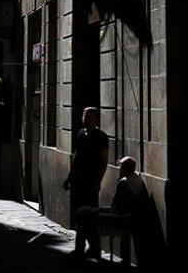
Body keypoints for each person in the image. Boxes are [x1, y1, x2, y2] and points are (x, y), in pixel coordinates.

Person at [63, 106, 110, 260]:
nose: (85, 119)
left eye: (89, 117)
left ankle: (93, 248)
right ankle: (80, 248)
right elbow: (76, 156)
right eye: (84, 116)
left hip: (91, 182)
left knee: (90, 215)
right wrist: (69, 177)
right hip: (78, 181)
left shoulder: (101, 136)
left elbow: (104, 160)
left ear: (96, 119)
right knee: (79, 215)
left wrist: (98, 182)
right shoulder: (80, 133)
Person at [107, 156, 167, 271]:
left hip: (132, 219)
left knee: (127, 238)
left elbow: (122, 208)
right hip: (141, 218)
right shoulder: (138, 179)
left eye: (120, 167)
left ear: (122, 169)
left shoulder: (123, 182)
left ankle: (125, 262)